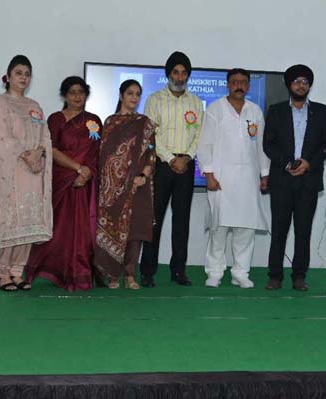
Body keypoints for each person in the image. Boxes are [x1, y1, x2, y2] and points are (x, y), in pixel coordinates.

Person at [0, 55, 53, 292]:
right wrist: (26, 154)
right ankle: (2, 274)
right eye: (19, 73)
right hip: (11, 172)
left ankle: (17, 272)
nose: (23, 78)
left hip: (33, 172)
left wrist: (39, 153)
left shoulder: (35, 106)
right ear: (8, 76)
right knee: (9, 221)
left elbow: (45, 136)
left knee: (28, 223)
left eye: (27, 74)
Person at [25, 76, 102, 291]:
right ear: (64, 95)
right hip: (61, 182)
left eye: (81, 92)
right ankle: (50, 271)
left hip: (84, 183)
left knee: (82, 233)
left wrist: (86, 173)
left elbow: (95, 152)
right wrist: (77, 168)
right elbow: (52, 149)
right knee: (57, 230)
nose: (77, 96)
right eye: (72, 92)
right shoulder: (55, 119)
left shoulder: (94, 121)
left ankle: (79, 274)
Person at [196, 68, 270, 288]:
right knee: (219, 228)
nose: (239, 85)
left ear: (248, 86)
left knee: (245, 228)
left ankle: (241, 273)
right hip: (221, 178)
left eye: (244, 82)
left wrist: (265, 174)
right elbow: (204, 144)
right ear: (228, 84)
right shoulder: (215, 109)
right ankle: (215, 273)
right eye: (235, 82)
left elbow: (261, 146)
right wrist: (208, 174)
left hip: (248, 178)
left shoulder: (255, 111)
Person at [263, 64, 326, 291]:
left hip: (308, 180)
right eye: (296, 81)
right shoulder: (276, 111)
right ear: (288, 85)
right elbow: (268, 144)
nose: (301, 85)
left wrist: (308, 163)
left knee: (303, 232)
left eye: (305, 82)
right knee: (279, 230)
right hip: (282, 180)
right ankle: (275, 276)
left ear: (309, 86)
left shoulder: (322, 112)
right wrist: (286, 163)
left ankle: (299, 276)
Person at [139, 51, 204, 287]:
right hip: (161, 166)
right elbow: (150, 135)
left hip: (186, 166)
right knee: (153, 220)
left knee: (182, 222)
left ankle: (179, 271)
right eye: (176, 72)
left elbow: (199, 134)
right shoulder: (154, 100)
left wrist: (186, 157)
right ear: (168, 74)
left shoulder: (195, 101)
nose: (180, 76)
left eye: (184, 72)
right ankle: (147, 271)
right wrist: (169, 158)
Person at [96, 79, 156, 289]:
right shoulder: (110, 122)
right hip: (112, 188)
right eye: (130, 93)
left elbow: (151, 153)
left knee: (134, 231)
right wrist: (109, 184)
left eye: (138, 94)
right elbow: (104, 155)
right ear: (121, 95)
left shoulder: (144, 122)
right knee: (113, 228)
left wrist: (143, 176)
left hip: (136, 185)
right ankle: (113, 275)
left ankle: (130, 275)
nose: (134, 97)